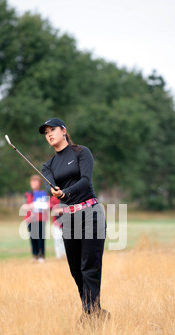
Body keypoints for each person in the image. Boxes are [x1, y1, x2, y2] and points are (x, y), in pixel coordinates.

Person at [39, 118, 110, 324]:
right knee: (76, 269)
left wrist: (66, 192)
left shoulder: (81, 152)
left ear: (64, 131)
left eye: (53, 130)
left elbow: (86, 180)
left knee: (90, 267)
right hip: (68, 218)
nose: (49, 134)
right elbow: (50, 188)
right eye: (46, 133)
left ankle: (90, 315)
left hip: (90, 213)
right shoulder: (48, 165)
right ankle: (94, 312)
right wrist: (54, 192)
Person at [23, 175, 48, 263]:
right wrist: (31, 205)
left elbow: (45, 206)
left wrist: (33, 205)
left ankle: (41, 255)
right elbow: (25, 206)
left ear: (39, 183)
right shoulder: (28, 194)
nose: (33, 183)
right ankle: (35, 255)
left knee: (40, 237)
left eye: (35, 181)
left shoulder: (43, 193)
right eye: (32, 181)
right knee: (32, 237)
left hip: (40, 218)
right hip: (30, 219)